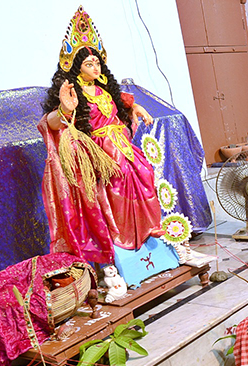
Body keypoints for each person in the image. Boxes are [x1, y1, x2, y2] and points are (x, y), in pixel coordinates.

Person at [39, 6, 162, 264]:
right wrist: (64, 109)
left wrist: (136, 107)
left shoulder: (105, 89)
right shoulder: (73, 92)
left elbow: (123, 104)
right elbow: (50, 123)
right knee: (119, 182)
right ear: (75, 68)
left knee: (145, 173)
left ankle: (149, 231)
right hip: (101, 150)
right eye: (88, 63)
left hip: (123, 144)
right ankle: (122, 241)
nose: (95, 66)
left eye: (97, 62)